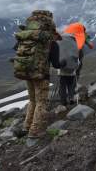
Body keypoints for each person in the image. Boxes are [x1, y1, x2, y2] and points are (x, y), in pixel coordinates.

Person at [13, 10, 60, 139]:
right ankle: (35, 131)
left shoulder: (26, 38)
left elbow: (16, 49)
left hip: (26, 71)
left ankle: (26, 127)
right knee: (41, 102)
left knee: (32, 100)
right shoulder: (50, 42)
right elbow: (56, 64)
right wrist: (64, 62)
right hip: (41, 75)